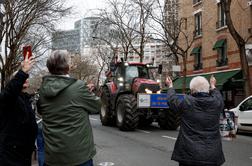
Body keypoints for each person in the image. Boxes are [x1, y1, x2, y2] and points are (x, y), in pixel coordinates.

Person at [37, 50, 101, 166]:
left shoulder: (43, 89)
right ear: (67, 67)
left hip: (53, 157)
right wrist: (87, 93)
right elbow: (96, 106)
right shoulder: (78, 86)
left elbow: (41, 111)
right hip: (78, 156)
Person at [166, 75, 225, 166]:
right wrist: (213, 85)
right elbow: (218, 96)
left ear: (192, 90)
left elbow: (172, 100)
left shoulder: (187, 102)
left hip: (188, 155)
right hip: (212, 155)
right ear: (208, 89)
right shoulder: (217, 103)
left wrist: (170, 86)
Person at [0, 55, 38, 166]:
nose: (26, 78)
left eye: (26, 78)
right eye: (22, 78)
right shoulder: (10, 98)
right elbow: (10, 91)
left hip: (24, 151)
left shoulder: (24, 98)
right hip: (11, 154)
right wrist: (23, 71)